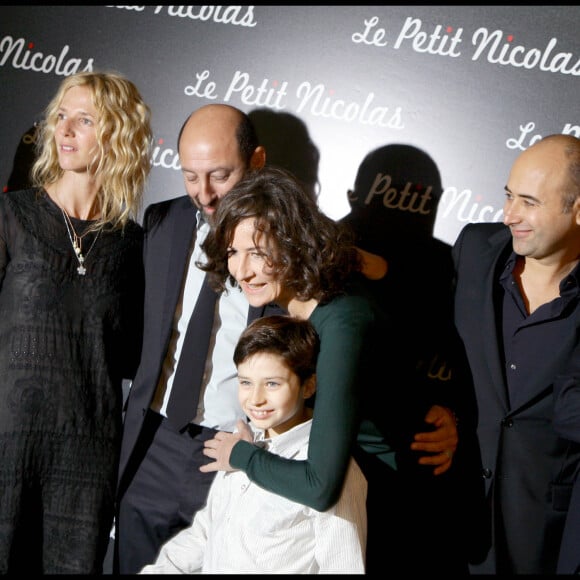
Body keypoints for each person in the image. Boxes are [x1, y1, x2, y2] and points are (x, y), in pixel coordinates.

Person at [114, 104, 283, 575]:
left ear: (257, 161)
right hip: (152, 440)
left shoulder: (292, 240)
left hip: (233, 450)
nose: (204, 194)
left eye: (219, 175)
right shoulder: (162, 223)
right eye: (190, 176)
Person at [0, 71, 152, 574]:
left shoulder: (134, 245)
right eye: (61, 117)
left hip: (86, 458)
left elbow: (131, 356)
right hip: (7, 442)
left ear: (118, 134)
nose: (64, 130)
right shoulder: (12, 216)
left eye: (84, 120)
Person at [341, 143, 487, 574]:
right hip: (341, 482)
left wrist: (456, 420)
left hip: (426, 498)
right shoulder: (321, 254)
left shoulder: (451, 266)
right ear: (355, 195)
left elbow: (469, 367)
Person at [140, 315, 367, 574]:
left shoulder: (334, 471)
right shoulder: (243, 442)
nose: (256, 399)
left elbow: (344, 567)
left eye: (272, 384)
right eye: (246, 382)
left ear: (309, 386)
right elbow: (205, 533)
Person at [451, 133, 580, 574]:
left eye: (529, 202)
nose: (509, 216)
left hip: (540, 536)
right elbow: (425, 347)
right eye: (508, 196)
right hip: (448, 516)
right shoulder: (474, 252)